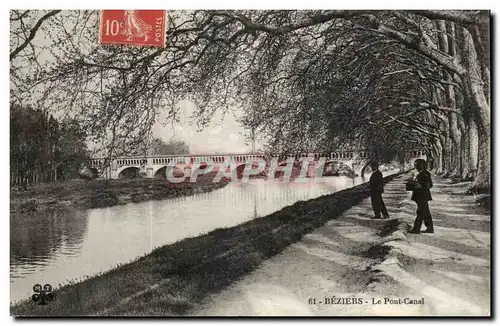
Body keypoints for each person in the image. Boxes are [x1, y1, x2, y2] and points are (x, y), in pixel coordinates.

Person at [409, 159, 434, 234]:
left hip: (422, 196)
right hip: (422, 196)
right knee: (426, 213)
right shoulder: (422, 173)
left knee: (420, 212)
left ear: (422, 165)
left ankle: (416, 229)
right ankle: (430, 228)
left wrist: (419, 186)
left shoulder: (424, 174)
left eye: (417, 165)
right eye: (416, 165)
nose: (416, 166)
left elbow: (429, 185)